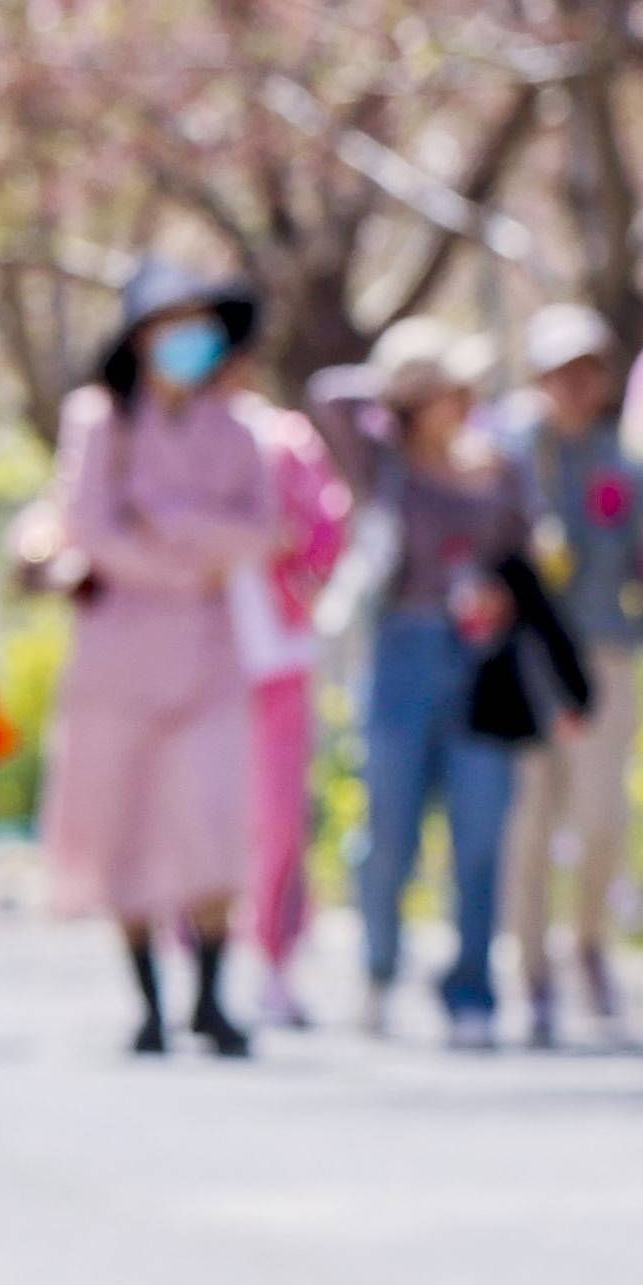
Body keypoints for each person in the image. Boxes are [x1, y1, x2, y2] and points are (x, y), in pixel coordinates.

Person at [39, 266, 286, 1056]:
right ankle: (146, 1001)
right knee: (126, 820)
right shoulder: (100, 420)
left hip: (208, 655)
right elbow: (89, 527)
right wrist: (188, 559)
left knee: (212, 816)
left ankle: (211, 997)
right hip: (118, 656)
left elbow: (263, 530)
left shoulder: (238, 428)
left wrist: (168, 525)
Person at [310, 319, 536, 1049]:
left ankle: (470, 986)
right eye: (443, 391)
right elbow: (327, 396)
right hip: (401, 653)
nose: (459, 402)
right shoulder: (385, 469)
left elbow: (524, 561)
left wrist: (499, 594)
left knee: (479, 831)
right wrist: (400, 377)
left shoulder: (497, 468)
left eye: (462, 389)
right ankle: (378, 968)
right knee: (389, 829)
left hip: (481, 663)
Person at [506, 302, 643, 1049]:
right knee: (527, 824)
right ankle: (530, 974)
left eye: (585, 371)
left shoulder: (627, 474)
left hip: (603, 659)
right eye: (559, 372)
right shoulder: (508, 462)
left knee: (600, 820)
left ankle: (587, 944)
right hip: (528, 664)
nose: (573, 385)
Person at [230, 366, 355, 1023]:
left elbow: (328, 528)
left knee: (278, 816)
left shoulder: (281, 438)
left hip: (277, 655)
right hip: (200, 662)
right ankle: (196, 950)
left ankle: (273, 956)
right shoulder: (175, 437)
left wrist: (295, 558)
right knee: (202, 811)